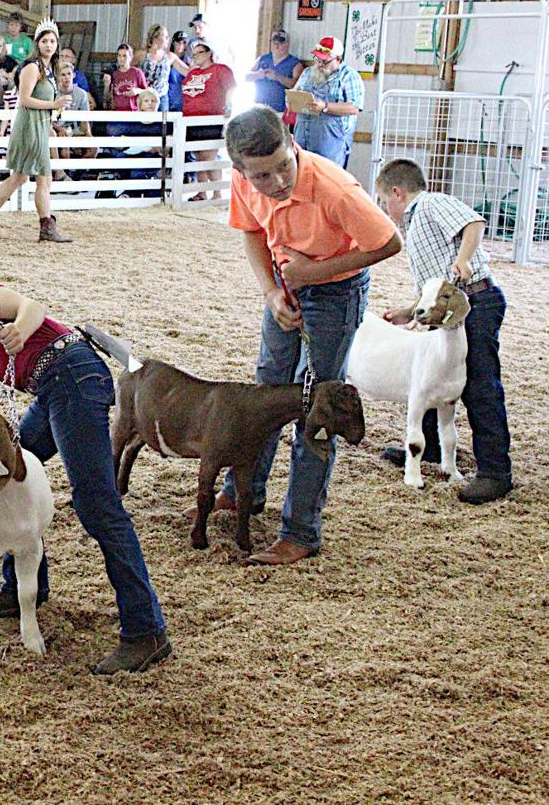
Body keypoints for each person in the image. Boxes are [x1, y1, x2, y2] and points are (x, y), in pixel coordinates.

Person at [0, 253, 172, 673]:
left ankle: (146, 629)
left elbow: (29, 305)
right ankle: (22, 586)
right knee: (5, 467)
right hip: (58, 387)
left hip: (73, 377)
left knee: (96, 504)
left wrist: (19, 328)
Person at [215, 106, 401, 565]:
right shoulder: (246, 182)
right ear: (239, 172)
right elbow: (253, 233)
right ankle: (243, 493)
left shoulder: (335, 188)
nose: (277, 181)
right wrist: (271, 292)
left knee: (317, 403)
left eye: (284, 165)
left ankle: (300, 531)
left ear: (293, 143)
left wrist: (312, 272)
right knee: (265, 391)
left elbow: (388, 242)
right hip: (286, 285)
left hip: (336, 291)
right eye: (262, 175)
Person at [374, 158, 512, 504]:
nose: (385, 208)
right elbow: (434, 286)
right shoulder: (415, 221)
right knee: (437, 372)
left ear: (397, 192)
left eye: (384, 200)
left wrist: (465, 259)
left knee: (479, 383)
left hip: (476, 301)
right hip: (447, 309)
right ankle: (432, 447)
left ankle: (496, 471)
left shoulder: (431, 203)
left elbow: (473, 223)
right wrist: (410, 311)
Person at [0, 18, 71, 243]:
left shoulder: (48, 69)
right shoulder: (32, 67)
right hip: (29, 126)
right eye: (44, 41)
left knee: (19, 177)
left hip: (39, 125)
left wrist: (55, 110)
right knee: (42, 178)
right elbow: (24, 99)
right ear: (37, 43)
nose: (49, 45)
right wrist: (53, 105)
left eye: (52, 41)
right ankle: (46, 227)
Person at [292, 36, 363, 168]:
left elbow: (354, 107)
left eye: (324, 61)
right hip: (302, 135)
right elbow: (296, 92)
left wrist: (325, 106)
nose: (319, 64)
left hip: (331, 140)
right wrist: (291, 100)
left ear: (337, 59)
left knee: (328, 177)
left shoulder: (348, 76)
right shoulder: (308, 73)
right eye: (317, 59)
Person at [181, 40, 236, 201]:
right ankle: (202, 191)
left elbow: (231, 87)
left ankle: (217, 192)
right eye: (194, 53)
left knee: (209, 156)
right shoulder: (193, 73)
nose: (195, 56)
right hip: (191, 119)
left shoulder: (220, 69)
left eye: (199, 52)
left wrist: (228, 106)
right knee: (198, 157)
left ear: (209, 53)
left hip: (210, 119)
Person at [51, 61, 95, 177]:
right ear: (58, 77)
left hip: (74, 128)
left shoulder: (81, 94)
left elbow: (84, 117)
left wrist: (88, 133)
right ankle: (64, 176)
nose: (66, 78)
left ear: (73, 75)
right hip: (56, 128)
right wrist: (59, 129)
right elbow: (48, 117)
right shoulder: (53, 93)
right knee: (65, 148)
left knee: (94, 146)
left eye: (69, 74)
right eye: (63, 74)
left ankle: (80, 173)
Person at [246, 28, 302, 119]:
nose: (277, 46)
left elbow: (297, 85)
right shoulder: (262, 59)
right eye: (274, 43)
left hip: (280, 110)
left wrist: (277, 77)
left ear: (287, 44)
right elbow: (246, 77)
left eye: (280, 43)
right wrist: (258, 75)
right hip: (259, 107)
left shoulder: (295, 63)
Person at [105, 43, 148, 138]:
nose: (121, 58)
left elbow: (147, 92)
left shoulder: (137, 73)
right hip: (118, 114)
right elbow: (106, 98)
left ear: (131, 57)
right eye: (119, 55)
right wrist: (106, 86)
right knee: (111, 130)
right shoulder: (114, 74)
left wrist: (136, 91)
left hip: (134, 113)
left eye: (125, 56)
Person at [138, 24, 171, 112]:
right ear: (156, 38)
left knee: (162, 123)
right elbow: (128, 69)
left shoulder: (169, 57)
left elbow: (187, 70)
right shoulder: (141, 55)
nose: (168, 39)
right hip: (144, 96)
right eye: (165, 36)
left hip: (162, 97)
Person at [165, 30, 190, 112]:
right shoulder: (167, 59)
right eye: (178, 42)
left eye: (184, 43)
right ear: (173, 42)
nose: (181, 45)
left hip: (183, 102)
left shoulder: (188, 61)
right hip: (168, 101)